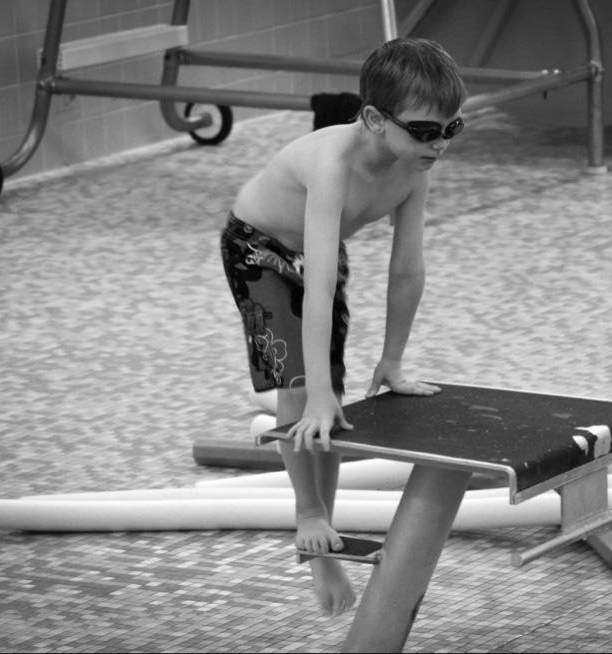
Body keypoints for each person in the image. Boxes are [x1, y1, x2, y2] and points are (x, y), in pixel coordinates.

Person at [220, 37, 467, 615]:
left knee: (330, 394)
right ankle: (309, 517)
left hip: (316, 251)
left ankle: (322, 518)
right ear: (376, 119)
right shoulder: (332, 164)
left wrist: (393, 359)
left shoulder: (413, 162)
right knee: (306, 387)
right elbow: (321, 282)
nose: (440, 144)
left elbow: (407, 268)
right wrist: (320, 392)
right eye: (427, 130)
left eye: (453, 129)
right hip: (257, 249)